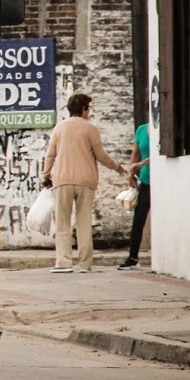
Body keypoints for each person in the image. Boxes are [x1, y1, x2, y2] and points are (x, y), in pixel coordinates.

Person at [40, 92, 127, 273]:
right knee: (84, 222)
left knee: (63, 222)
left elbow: (50, 155)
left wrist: (46, 175)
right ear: (84, 109)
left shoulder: (59, 128)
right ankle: (85, 264)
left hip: (62, 179)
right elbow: (101, 155)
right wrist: (116, 167)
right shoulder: (90, 129)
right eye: (89, 108)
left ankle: (63, 262)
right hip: (86, 181)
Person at [121, 122, 152, 270]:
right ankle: (132, 257)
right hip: (146, 180)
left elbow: (160, 154)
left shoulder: (164, 128)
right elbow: (135, 155)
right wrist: (131, 175)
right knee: (138, 219)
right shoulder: (141, 130)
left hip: (162, 180)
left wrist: (141, 164)